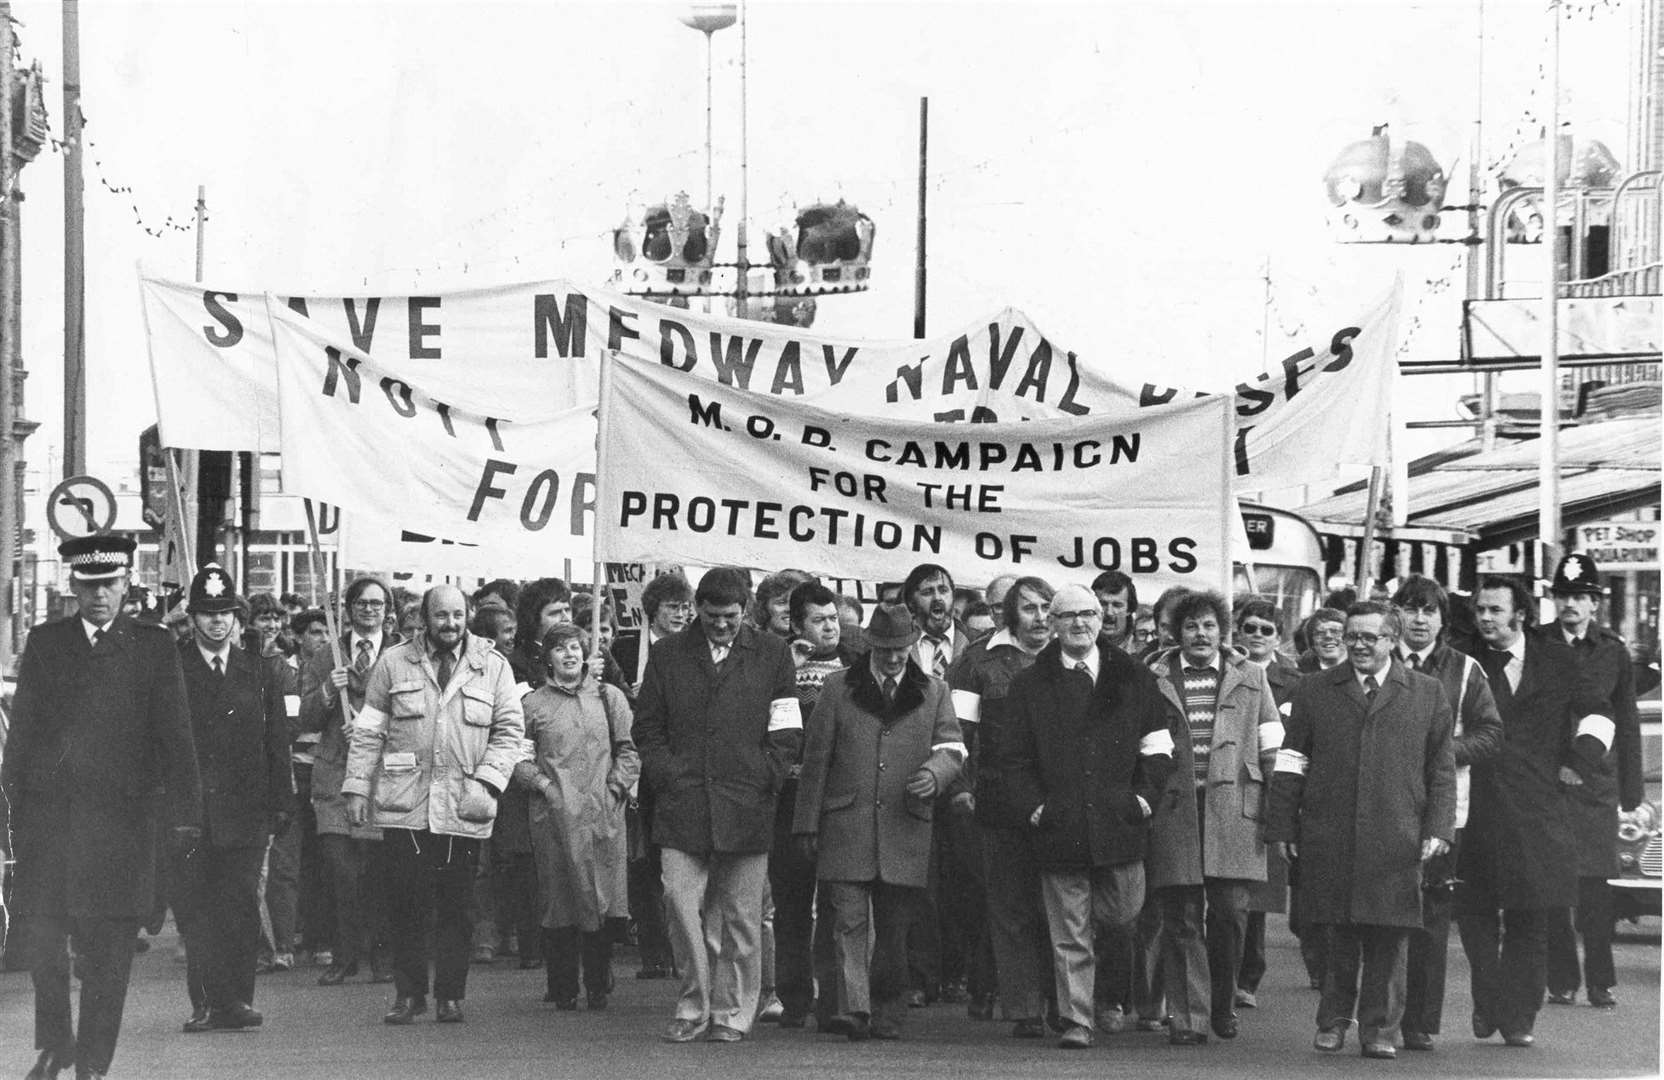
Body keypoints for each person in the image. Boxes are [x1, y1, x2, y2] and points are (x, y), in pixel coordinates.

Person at [3, 536, 201, 1080]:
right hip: (53, 826)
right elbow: (21, 736)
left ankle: (92, 1065)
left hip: (124, 828)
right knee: (43, 943)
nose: (99, 596)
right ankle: (56, 1042)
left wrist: (186, 815)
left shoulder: (152, 646)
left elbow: (175, 735)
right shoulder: (47, 643)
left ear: (125, 586)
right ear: (73, 586)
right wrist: (13, 808)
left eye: (110, 585)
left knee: (110, 957)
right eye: (89, 585)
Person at [1268, 601, 1457, 1060]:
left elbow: (1441, 768)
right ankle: (1331, 1023)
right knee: (1337, 933)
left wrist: (1438, 827)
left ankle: (1378, 1030)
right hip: (1330, 831)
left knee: (1389, 937)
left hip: (1398, 833)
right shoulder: (1314, 689)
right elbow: (1293, 759)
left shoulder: (1427, 692)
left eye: (1369, 637)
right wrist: (1284, 823)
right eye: (1352, 636)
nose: (1357, 645)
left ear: (1393, 640)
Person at [343, 584, 526, 1026]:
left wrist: (488, 783)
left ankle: (449, 995)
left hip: (465, 802)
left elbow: (509, 732)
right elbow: (369, 730)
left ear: (468, 617)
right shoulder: (393, 662)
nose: (450, 624)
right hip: (406, 803)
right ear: (425, 618)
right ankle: (408, 995)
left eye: (458, 616)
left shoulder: (493, 667)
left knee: (457, 906)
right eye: (441, 616)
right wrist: (355, 786)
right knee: (406, 903)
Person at [1003, 584, 1176, 1050]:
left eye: (1088, 614)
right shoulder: (1029, 685)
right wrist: (1036, 807)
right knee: (1069, 930)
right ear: (1053, 625)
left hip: (1119, 825)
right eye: (1068, 616)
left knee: (1121, 916)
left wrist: (1142, 799)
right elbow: (1012, 759)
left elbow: (1158, 748)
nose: (1079, 623)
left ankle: (1105, 998)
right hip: (1060, 827)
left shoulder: (1135, 678)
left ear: (1102, 620)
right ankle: (1077, 1018)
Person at [632, 567, 801, 1043]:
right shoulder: (666, 656)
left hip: (747, 803)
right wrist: (666, 775)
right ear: (697, 611)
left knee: (742, 918)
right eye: (711, 616)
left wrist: (767, 773)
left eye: (730, 616)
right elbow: (646, 728)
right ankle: (692, 1004)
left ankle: (732, 1013)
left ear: (746, 611)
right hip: (682, 804)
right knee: (679, 904)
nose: (721, 625)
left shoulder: (773, 653)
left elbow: (787, 727)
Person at [793, 603, 965, 1040]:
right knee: (848, 921)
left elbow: (953, 748)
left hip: (906, 825)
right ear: (870, 644)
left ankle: (887, 1010)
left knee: (894, 930)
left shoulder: (936, 691)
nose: (893, 658)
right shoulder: (836, 688)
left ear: (912, 645)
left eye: (901, 649)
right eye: (885, 649)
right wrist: (806, 824)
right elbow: (816, 760)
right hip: (845, 822)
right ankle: (856, 1009)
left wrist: (935, 773)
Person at [1456, 575, 1612, 1048]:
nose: (1485, 617)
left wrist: (1577, 762)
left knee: (1532, 914)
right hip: (1476, 804)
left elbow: (1600, 713)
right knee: (1474, 910)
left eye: (1495, 610)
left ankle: (1520, 1016)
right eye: (1480, 609)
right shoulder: (1463, 659)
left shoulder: (1557, 659)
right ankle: (1488, 997)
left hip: (1538, 807)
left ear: (1519, 614)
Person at [1145, 589, 1281, 1045]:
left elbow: (1272, 745)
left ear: (1221, 631)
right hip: (1175, 808)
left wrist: (1275, 806)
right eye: (1190, 626)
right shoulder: (1154, 675)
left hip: (1235, 809)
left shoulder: (1252, 677)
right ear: (1176, 632)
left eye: (1208, 626)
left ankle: (1223, 1002)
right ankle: (1188, 1019)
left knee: (1230, 913)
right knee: (1181, 916)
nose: (1200, 634)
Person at [173, 566, 293, 1034]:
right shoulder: (175, 669)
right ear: (193, 618)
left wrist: (281, 801)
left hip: (247, 811)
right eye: (207, 614)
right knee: (199, 908)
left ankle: (238, 999)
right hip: (193, 813)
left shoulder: (257, 670)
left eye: (225, 613)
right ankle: (204, 1002)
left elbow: (275, 742)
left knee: (241, 905)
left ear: (237, 618)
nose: (217, 623)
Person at [1389, 575, 1503, 1051]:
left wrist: (1442, 752)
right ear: (1396, 614)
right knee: (1382, 913)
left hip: (1445, 810)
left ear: (1442, 619)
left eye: (1429, 611)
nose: (1419, 619)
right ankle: (1375, 1015)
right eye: (1411, 609)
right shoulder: (1378, 658)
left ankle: (1419, 1022)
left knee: (1431, 916)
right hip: (1383, 806)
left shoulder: (1466, 668)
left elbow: (1491, 733)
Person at [515, 623, 640, 1010]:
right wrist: (545, 788)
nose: (569, 654)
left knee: (600, 896)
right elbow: (517, 758)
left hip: (601, 815)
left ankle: (598, 983)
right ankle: (563, 985)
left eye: (575, 647)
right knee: (560, 899)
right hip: (553, 817)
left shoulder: (609, 697)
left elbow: (629, 751)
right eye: (560, 648)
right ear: (547, 657)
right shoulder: (532, 705)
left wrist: (615, 788)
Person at [952, 576, 1055, 1036]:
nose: (1040, 617)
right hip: (996, 800)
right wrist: (963, 788)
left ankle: (1063, 1001)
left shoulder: (1069, 656)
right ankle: (1025, 1007)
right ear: (1010, 615)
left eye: (1046, 607)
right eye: (1029, 608)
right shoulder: (978, 662)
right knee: (1010, 906)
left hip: (1058, 802)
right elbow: (958, 734)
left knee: (1057, 906)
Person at [1539, 554, 1643, 1010]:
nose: (1571, 605)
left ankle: (1601, 981)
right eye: (1564, 596)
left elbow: (1627, 718)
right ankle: (1563, 978)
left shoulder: (1612, 650)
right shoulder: (1537, 643)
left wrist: (1632, 792)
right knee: (1553, 885)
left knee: (1596, 889)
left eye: (1580, 597)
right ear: (1555, 600)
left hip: (1597, 784)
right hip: (1547, 781)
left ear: (1594, 604)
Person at [298, 576, 399, 987]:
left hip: (382, 777)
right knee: (341, 872)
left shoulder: (400, 654)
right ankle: (344, 955)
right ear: (349, 607)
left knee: (378, 872)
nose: (370, 610)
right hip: (335, 777)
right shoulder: (328, 654)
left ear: (387, 610)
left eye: (378, 604)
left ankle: (381, 955)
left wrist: (376, 728)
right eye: (362, 603)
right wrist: (327, 690)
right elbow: (303, 717)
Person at [773, 581, 859, 1029]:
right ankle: (793, 998)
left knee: (834, 903)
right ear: (797, 624)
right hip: (788, 799)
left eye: (834, 619)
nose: (831, 628)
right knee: (790, 903)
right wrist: (788, 667)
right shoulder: (777, 662)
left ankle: (832, 1003)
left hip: (835, 800)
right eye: (820, 620)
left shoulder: (854, 664)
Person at [607, 571, 693, 981]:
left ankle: (681, 950)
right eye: (673, 607)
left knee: (674, 861)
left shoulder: (692, 650)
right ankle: (654, 953)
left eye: (685, 606)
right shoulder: (624, 648)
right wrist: (627, 694)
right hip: (633, 763)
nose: (682, 614)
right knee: (641, 866)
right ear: (652, 611)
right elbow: (606, 697)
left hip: (673, 765)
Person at [1231, 598, 1301, 1009]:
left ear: (1279, 635)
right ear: (1238, 630)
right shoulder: (1226, 669)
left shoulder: (1293, 679)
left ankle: (1248, 976)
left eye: (1266, 629)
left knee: (1255, 892)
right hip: (1232, 780)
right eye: (1250, 627)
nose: (1257, 635)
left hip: (1270, 788)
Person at [1090, 571, 1137, 650]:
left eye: (1117, 605)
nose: (1109, 612)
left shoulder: (1142, 649)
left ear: (1129, 609)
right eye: (1102, 604)